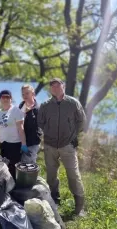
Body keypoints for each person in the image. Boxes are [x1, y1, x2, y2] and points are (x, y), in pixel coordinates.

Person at [37, 78, 86, 217]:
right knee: (51, 176)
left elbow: (82, 121)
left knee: (73, 175)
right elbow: (40, 122)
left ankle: (79, 207)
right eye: (52, 86)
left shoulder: (72, 103)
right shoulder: (46, 105)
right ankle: (54, 201)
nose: (55, 88)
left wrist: (73, 135)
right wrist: (48, 133)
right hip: (50, 146)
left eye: (58, 85)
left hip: (67, 145)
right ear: (50, 89)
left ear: (63, 86)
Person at [0, 90, 29, 179]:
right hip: (3, 145)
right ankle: (7, 187)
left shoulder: (15, 110)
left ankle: (15, 189)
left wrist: (23, 144)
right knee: (5, 167)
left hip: (14, 145)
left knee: (14, 168)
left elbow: (21, 128)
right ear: (0, 99)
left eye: (7, 97)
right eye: (3, 97)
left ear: (11, 99)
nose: (5, 99)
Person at [19, 84, 42, 163]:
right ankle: (33, 175)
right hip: (21, 142)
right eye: (23, 94)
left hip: (33, 143)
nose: (25, 96)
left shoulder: (38, 109)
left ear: (33, 94)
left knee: (26, 164)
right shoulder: (21, 105)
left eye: (27, 93)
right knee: (29, 165)